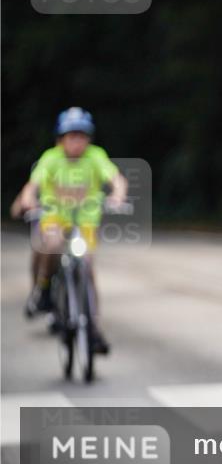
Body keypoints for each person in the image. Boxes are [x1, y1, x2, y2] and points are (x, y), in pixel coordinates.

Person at [17, 107, 128, 353]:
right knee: (53, 244)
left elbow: (116, 179)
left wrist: (118, 195)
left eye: (82, 135)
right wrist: (28, 200)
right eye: (71, 135)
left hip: (84, 222)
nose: (77, 141)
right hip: (55, 218)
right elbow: (32, 186)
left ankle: (93, 329)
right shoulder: (51, 158)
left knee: (87, 268)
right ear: (61, 138)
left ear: (88, 138)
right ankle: (44, 289)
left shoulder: (96, 156)